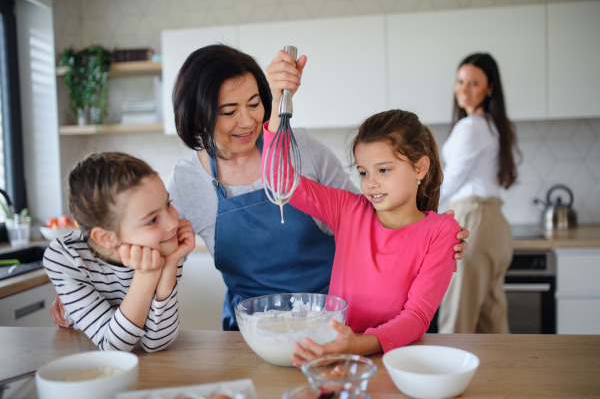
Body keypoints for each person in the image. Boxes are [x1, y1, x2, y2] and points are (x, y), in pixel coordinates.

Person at [51, 45, 469, 331]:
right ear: (196, 118)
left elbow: (370, 214)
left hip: (333, 321)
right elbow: (145, 242)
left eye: (255, 104)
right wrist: (81, 292)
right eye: (229, 111)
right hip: (251, 330)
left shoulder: (299, 146)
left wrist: (426, 234)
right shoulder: (187, 181)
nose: (248, 121)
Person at [263, 51, 460, 366]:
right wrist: (278, 102)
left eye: (384, 170)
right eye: (364, 172)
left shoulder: (441, 231)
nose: (370, 183)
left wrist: (357, 344)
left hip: (396, 360)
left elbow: (418, 316)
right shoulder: (347, 209)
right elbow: (280, 179)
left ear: (420, 168)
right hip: (334, 353)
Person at [43, 152, 195, 351]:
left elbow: (156, 343)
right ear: (106, 238)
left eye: (167, 204)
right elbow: (113, 347)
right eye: (151, 220)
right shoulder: (64, 257)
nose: (173, 223)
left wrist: (169, 265)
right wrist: (146, 276)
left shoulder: (162, 242)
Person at [437, 53, 519, 334]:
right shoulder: (495, 126)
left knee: (457, 317)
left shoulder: (471, 126)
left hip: (474, 219)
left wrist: (415, 211)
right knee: (492, 322)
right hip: (495, 223)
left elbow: (450, 181)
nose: (463, 88)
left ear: (489, 88)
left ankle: (445, 377)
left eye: (473, 82)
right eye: (460, 81)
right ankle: (505, 378)